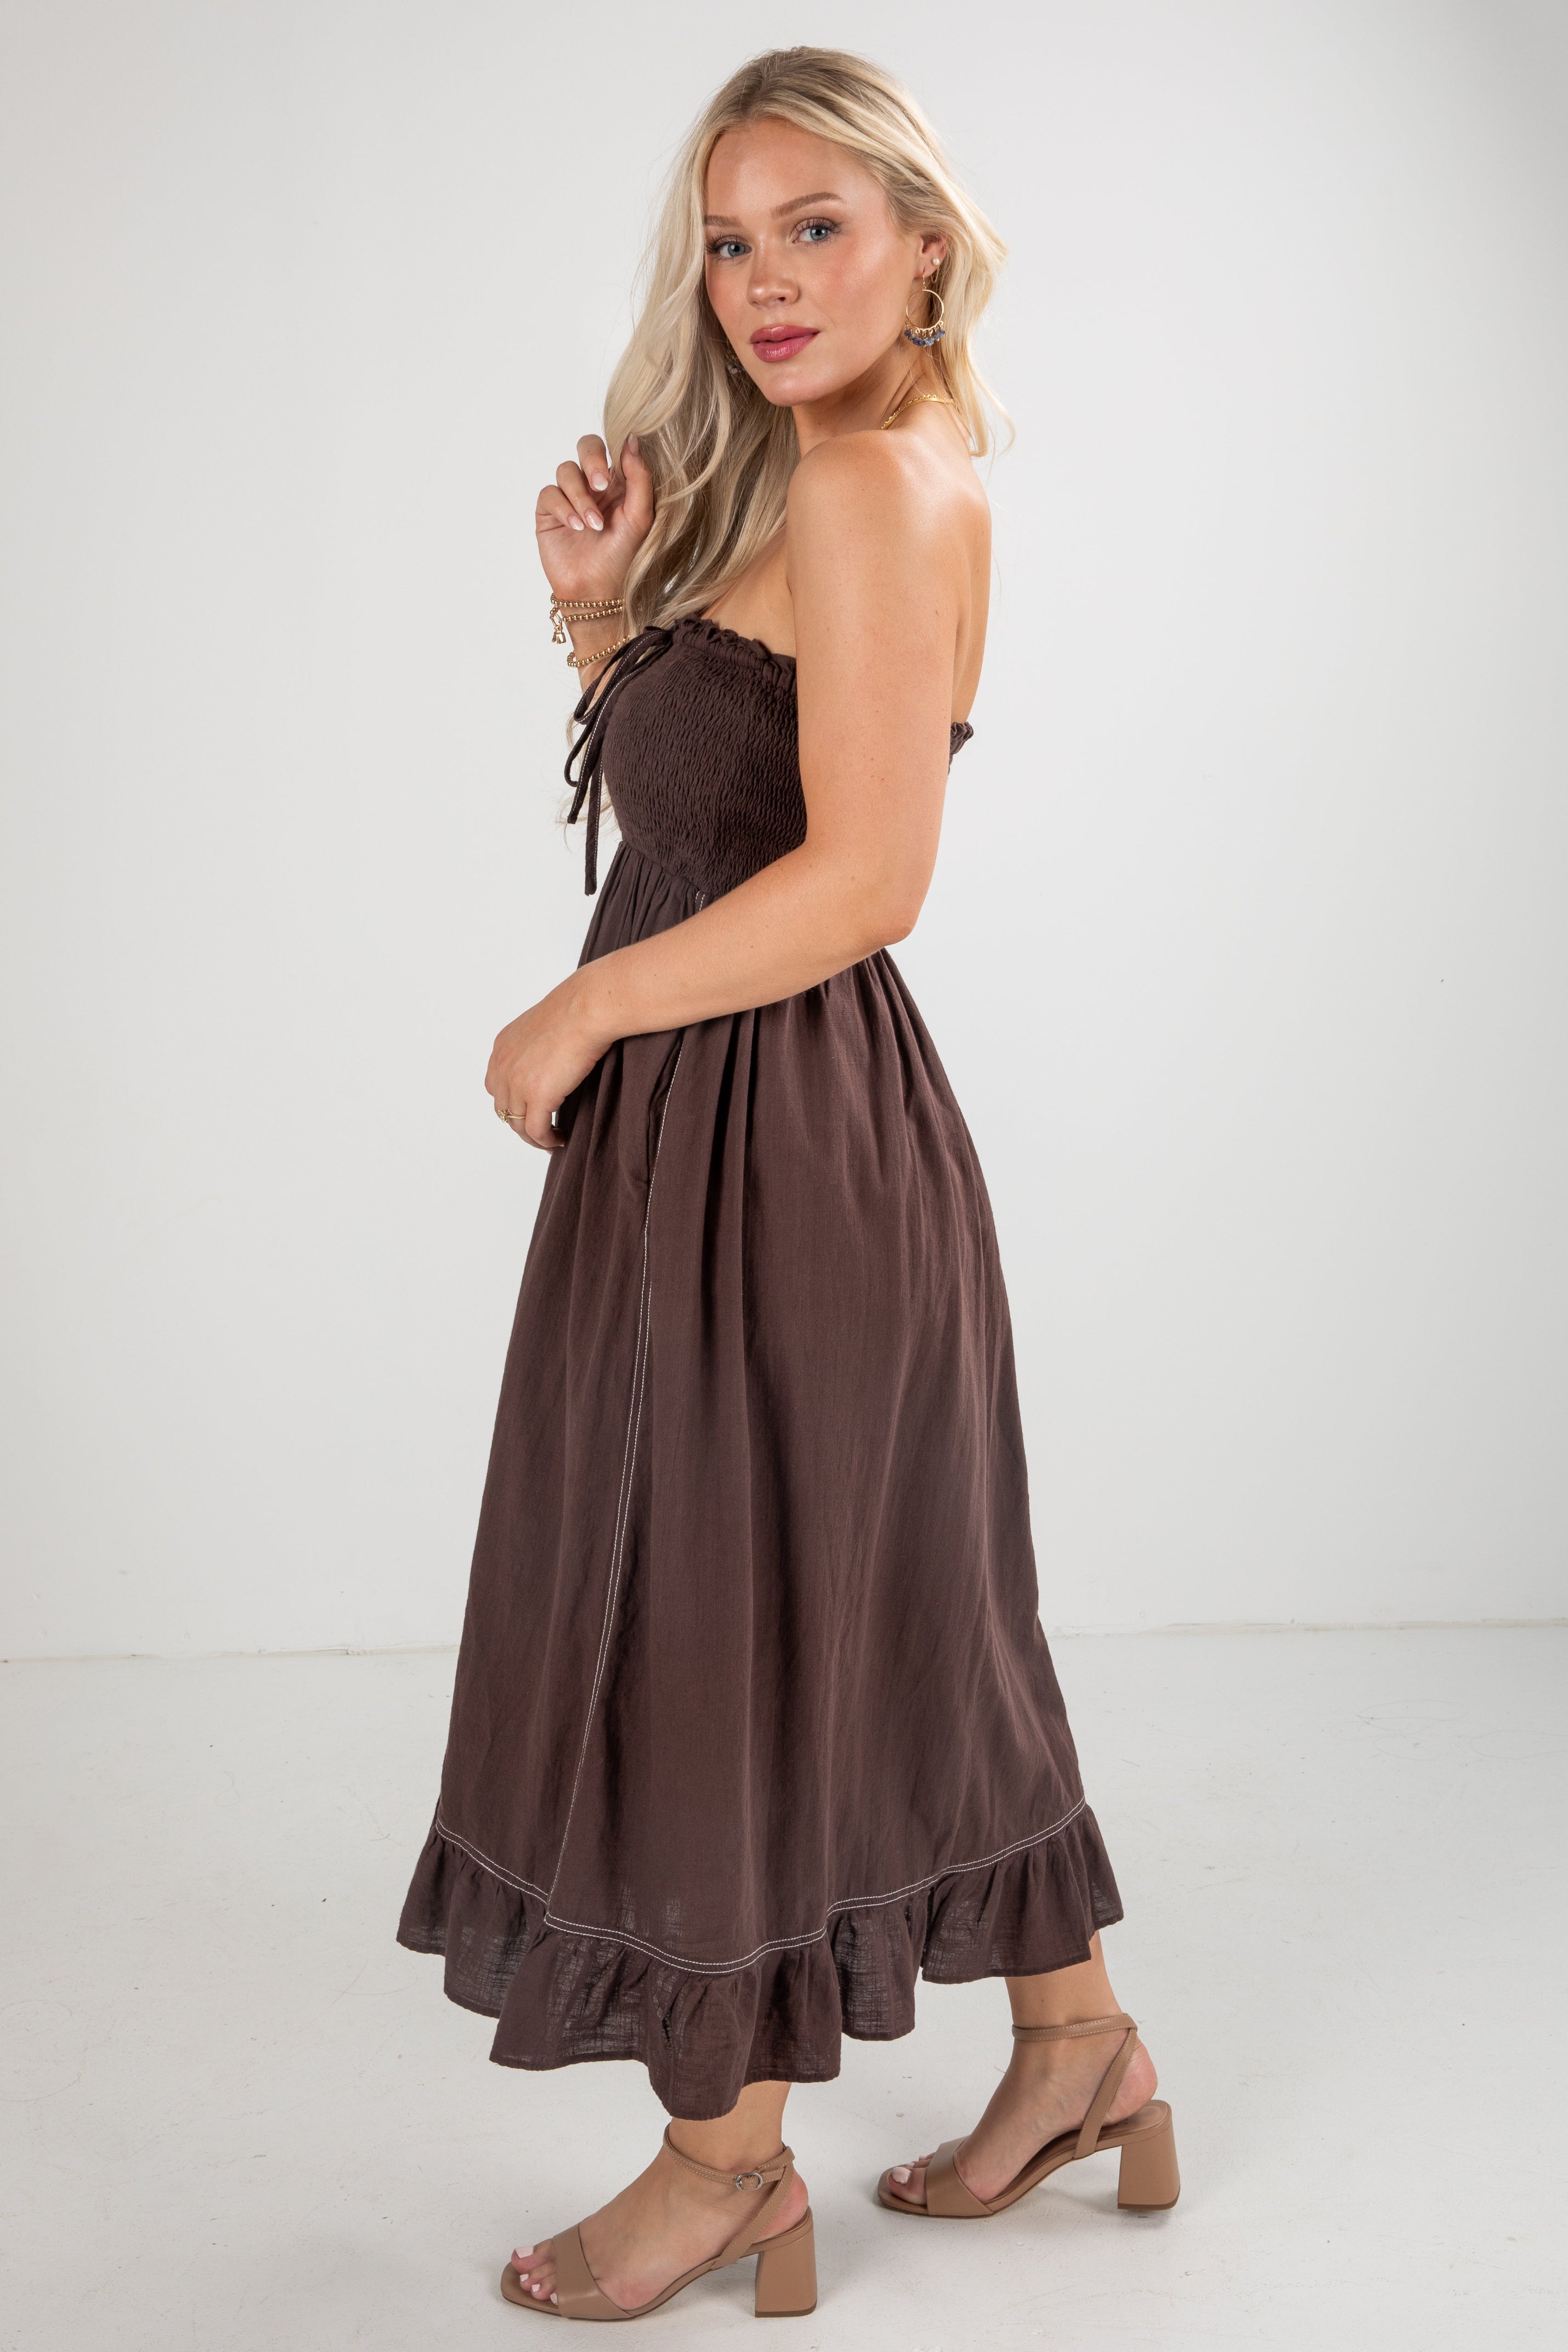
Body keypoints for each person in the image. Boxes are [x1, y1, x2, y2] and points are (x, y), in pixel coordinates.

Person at [398, 44, 1178, 2323]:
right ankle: (1078, 2041)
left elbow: (862, 881)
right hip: (778, 1134)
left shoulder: (867, 490)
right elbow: (727, 801)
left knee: (704, 1621)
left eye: (814, 227)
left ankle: (723, 2160)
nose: (759, 280)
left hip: (771, 1131)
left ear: (927, 242)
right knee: (911, 1604)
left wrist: (577, 1016)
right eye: (728, 238)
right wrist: (601, 617)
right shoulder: (847, 473)